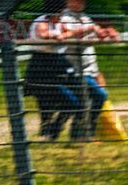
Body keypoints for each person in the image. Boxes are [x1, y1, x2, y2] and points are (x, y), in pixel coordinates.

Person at [59, 0, 119, 140]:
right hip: (75, 70)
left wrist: (108, 32)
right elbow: (69, 35)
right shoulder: (63, 18)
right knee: (99, 96)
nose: (81, 3)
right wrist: (90, 29)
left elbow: (96, 33)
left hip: (90, 68)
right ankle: (85, 132)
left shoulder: (85, 18)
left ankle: (80, 134)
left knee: (88, 101)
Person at [25, 0, 82, 141]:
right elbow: (42, 33)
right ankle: (48, 133)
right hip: (42, 64)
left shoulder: (59, 22)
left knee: (73, 101)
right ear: (55, 11)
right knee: (46, 104)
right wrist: (54, 36)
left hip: (58, 62)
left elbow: (70, 32)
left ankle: (52, 131)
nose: (63, 14)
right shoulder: (42, 22)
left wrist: (62, 35)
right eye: (61, 11)